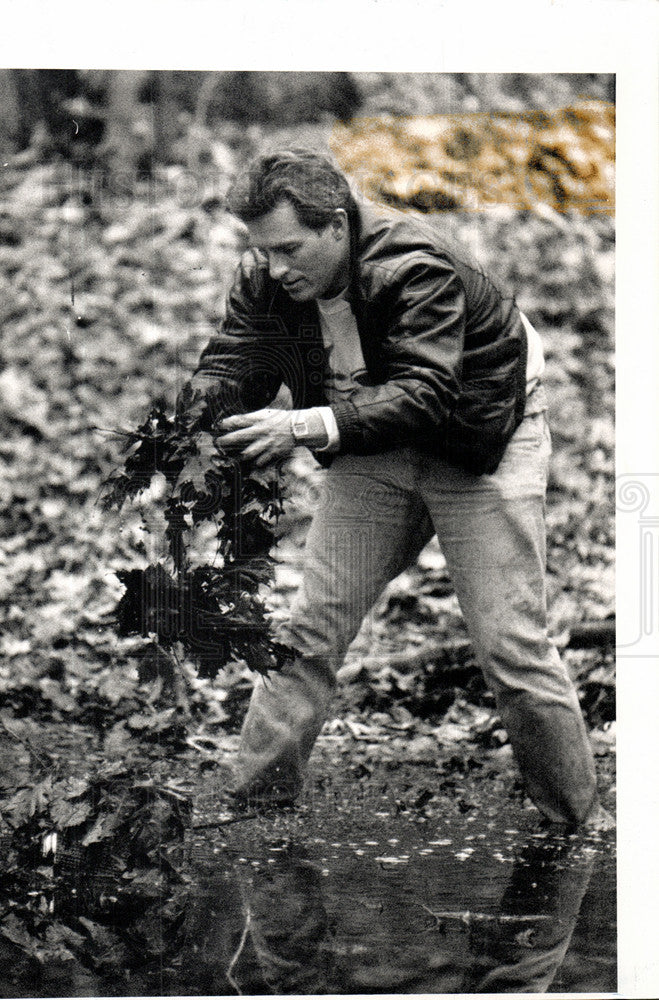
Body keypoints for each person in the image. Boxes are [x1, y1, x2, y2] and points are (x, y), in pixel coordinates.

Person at [179, 148, 607, 828]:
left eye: (290, 248)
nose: (276, 267)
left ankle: (578, 819)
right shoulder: (268, 275)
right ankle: (255, 800)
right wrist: (187, 425)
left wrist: (298, 425)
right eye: (264, 251)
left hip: (479, 441)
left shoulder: (413, 266)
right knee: (309, 628)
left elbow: (424, 395)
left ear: (337, 226)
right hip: (365, 442)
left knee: (509, 646)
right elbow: (235, 358)